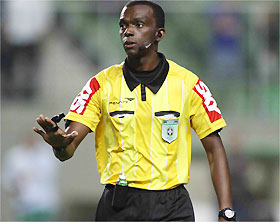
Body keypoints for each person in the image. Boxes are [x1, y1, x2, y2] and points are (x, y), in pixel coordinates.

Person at [33, 1, 236, 221]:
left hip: (173, 207)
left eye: (138, 25)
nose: (127, 32)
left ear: (159, 34)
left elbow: (214, 150)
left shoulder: (189, 84)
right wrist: (59, 145)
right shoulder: (100, 85)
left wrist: (226, 210)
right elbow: (68, 148)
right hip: (119, 207)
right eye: (123, 26)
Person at [2, 134, 60, 221]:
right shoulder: (15, 155)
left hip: (45, 203)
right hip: (23, 205)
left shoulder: (46, 154)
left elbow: (49, 171)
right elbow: (7, 179)